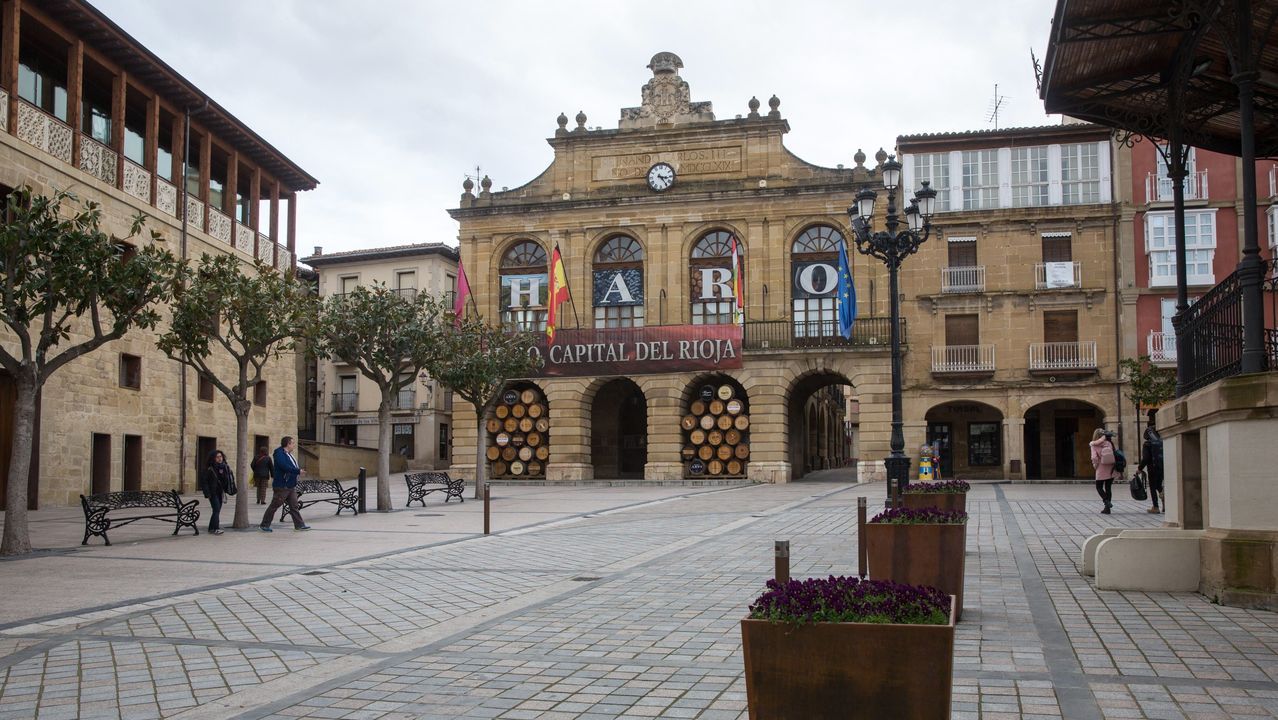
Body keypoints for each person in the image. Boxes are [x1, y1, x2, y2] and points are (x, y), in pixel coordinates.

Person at [260, 435, 310, 532]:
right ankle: (264, 525)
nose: (294, 445)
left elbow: (291, 466)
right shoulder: (279, 454)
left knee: (294, 506)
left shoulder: (288, 454)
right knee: (274, 505)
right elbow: (284, 466)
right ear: (288, 444)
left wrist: (298, 471)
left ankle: (299, 525)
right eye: (292, 443)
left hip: (290, 486)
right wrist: (297, 471)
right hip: (282, 486)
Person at [199, 449, 235, 535]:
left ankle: (211, 528)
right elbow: (204, 482)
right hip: (213, 492)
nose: (220, 459)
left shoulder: (224, 467)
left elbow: (227, 479)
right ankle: (216, 528)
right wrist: (207, 493)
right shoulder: (209, 468)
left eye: (221, 456)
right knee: (216, 509)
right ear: (213, 458)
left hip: (221, 492)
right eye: (217, 457)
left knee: (217, 510)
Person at [1138, 410, 1165, 514]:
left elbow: (1146, 458)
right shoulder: (1162, 441)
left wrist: (1140, 468)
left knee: (1153, 486)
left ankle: (1156, 506)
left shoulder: (1147, 444)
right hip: (1161, 466)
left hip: (1152, 467)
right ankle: (1165, 502)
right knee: (1159, 484)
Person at [1089, 428, 1118, 514]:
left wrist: (1095, 465)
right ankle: (1107, 509)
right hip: (1111, 468)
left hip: (1101, 468)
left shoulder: (1093, 445)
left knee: (1099, 487)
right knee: (1108, 487)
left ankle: (1106, 501)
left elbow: (1094, 457)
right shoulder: (1108, 443)